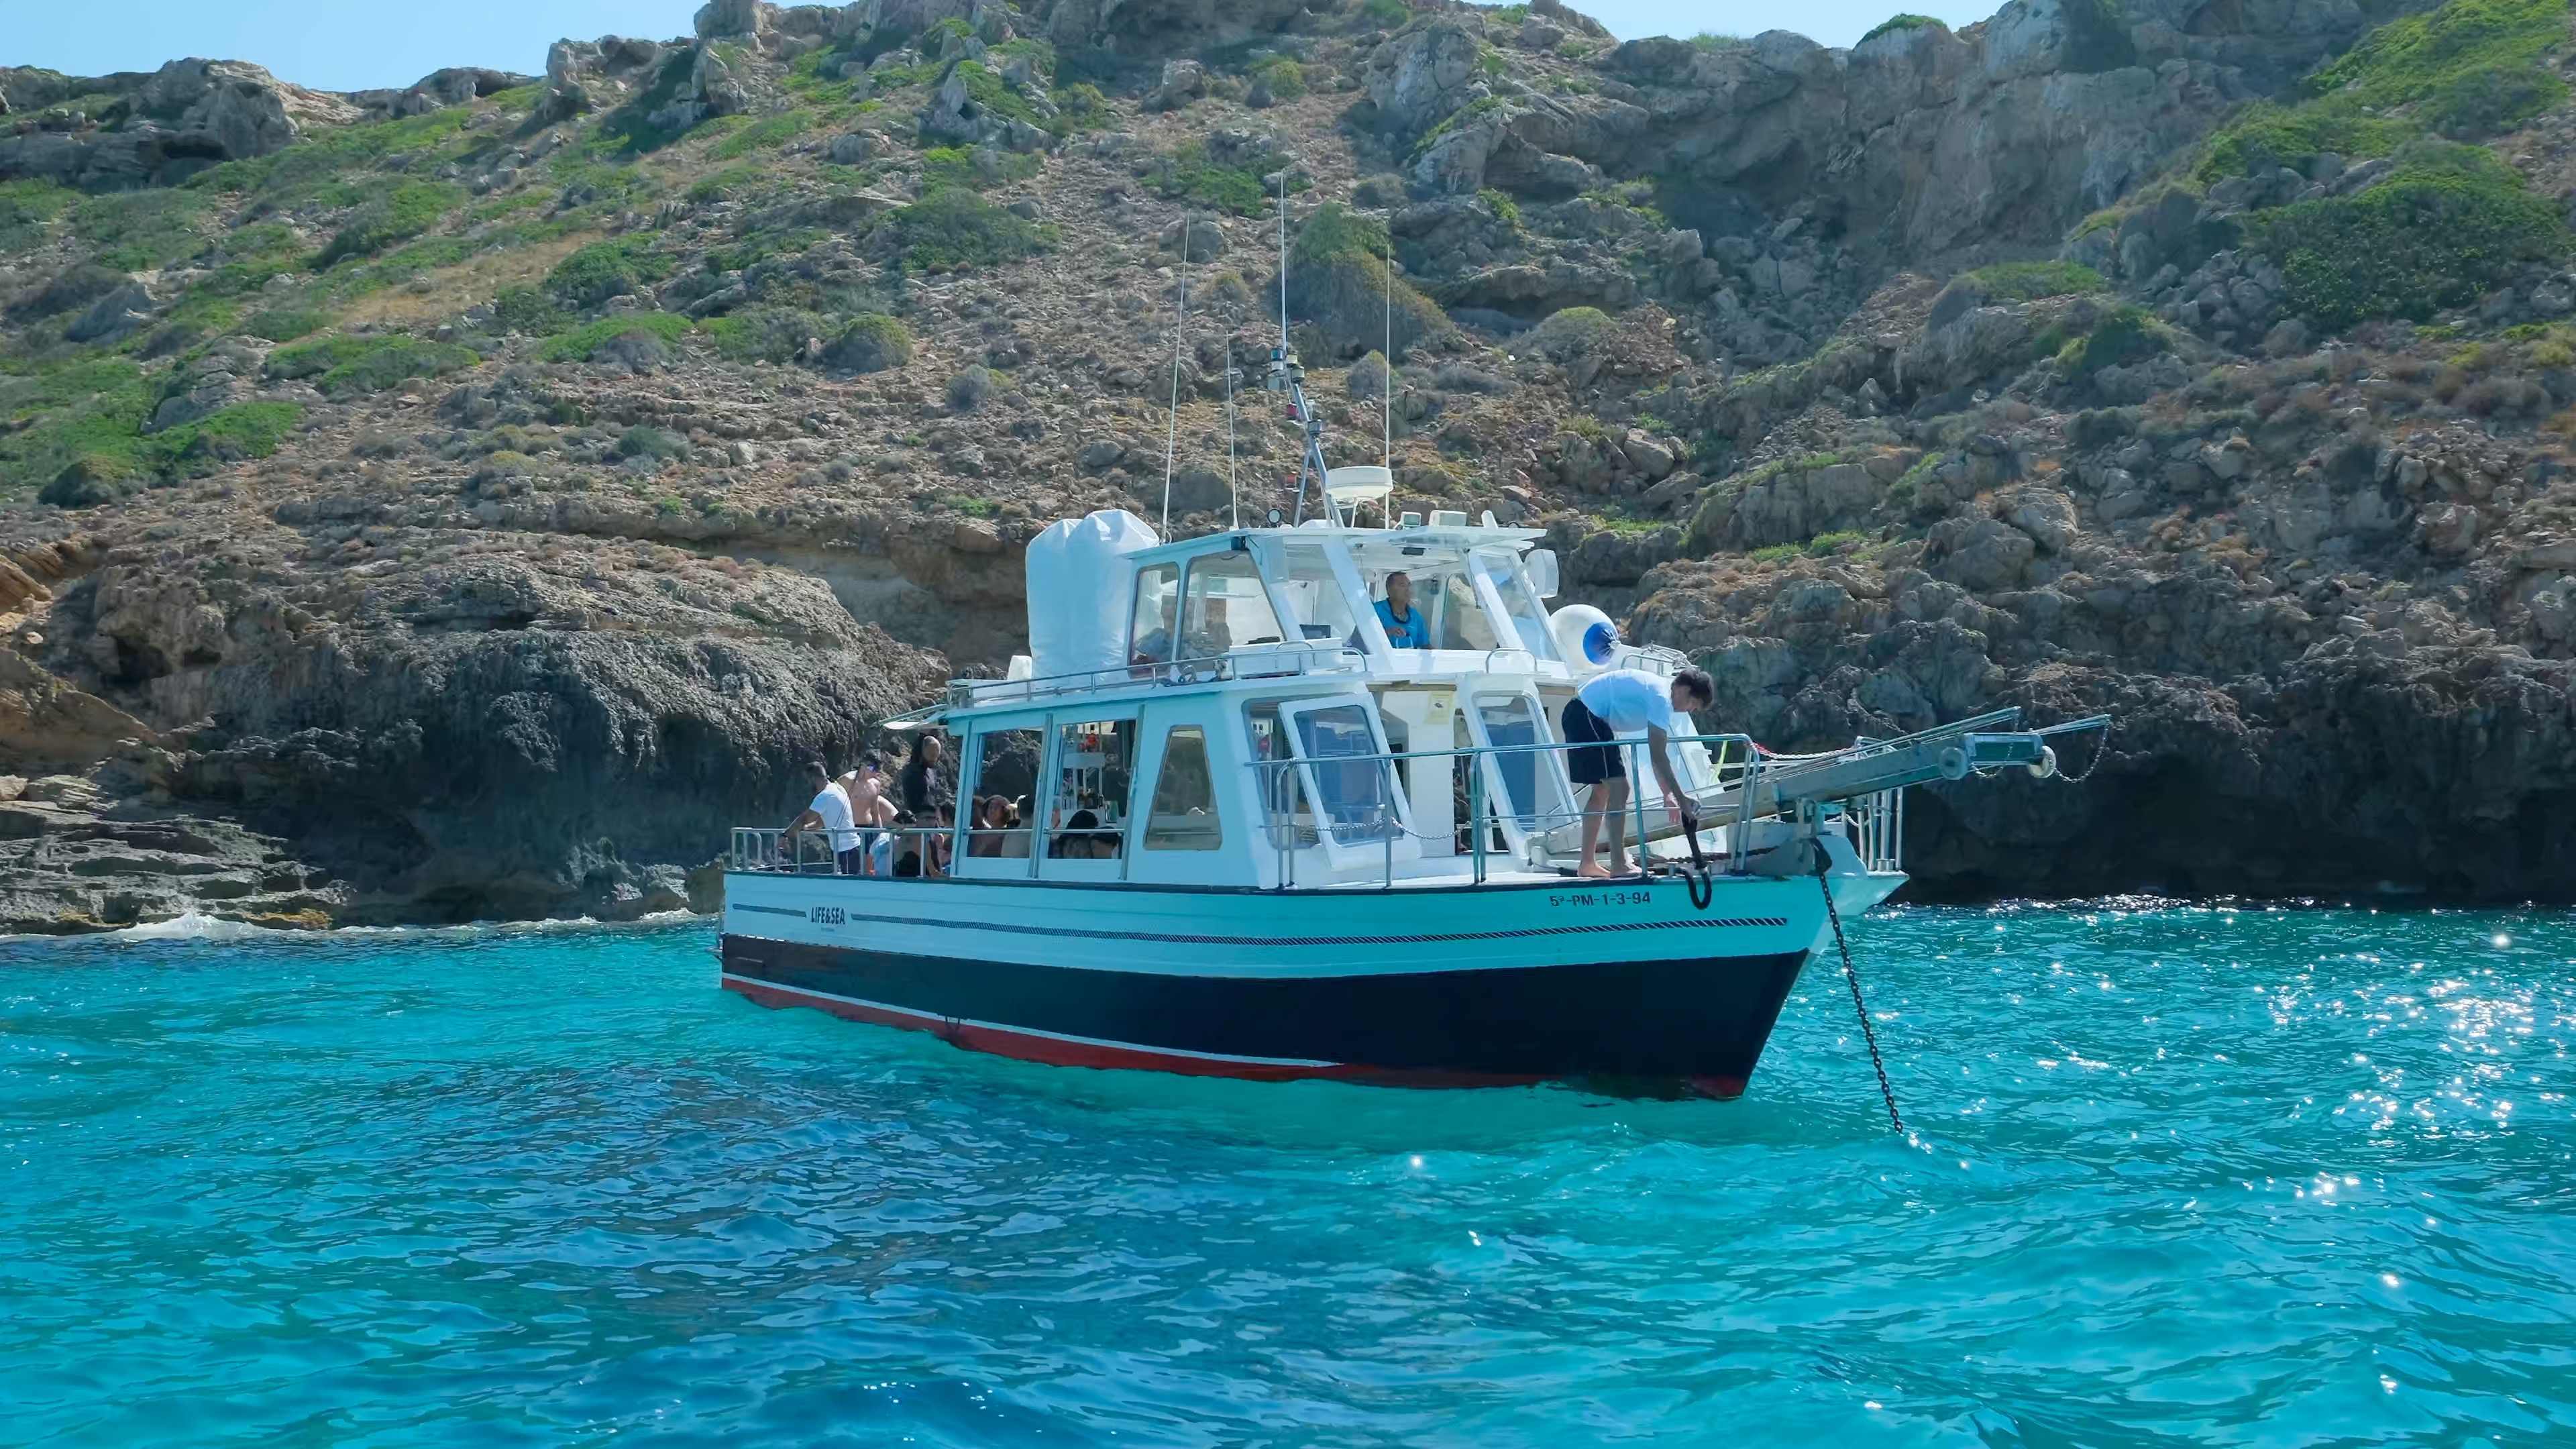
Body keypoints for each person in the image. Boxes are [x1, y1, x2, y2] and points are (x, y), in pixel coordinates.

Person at [1560, 666, 1716, 879]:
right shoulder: (1661, 698)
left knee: (1603, 790)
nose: (1689, 710)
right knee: (1620, 789)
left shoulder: (1660, 694)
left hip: (1583, 713)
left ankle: (1587, 864)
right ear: (1683, 689)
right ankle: (1618, 865)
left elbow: (1657, 756)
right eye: (1692, 704)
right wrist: (1681, 799)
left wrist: (1668, 794)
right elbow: (1658, 755)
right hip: (1587, 714)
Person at [784, 761, 864, 874]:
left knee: (848, 886)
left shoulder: (825, 796)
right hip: (844, 849)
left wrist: (785, 835)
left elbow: (804, 819)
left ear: (813, 778)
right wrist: (801, 829)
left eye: (807, 781)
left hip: (846, 849)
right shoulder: (837, 788)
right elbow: (819, 823)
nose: (806, 785)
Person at [900, 733, 952, 877]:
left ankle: (936, 872)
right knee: (920, 860)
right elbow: (914, 801)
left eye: (937, 755)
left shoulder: (931, 772)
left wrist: (936, 825)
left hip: (931, 822)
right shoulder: (911, 771)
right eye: (931, 754)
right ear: (922, 751)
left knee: (935, 856)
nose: (934, 758)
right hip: (919, 820)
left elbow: (932, 798)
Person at [839, 753, 898, 875]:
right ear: (864, 765)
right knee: (852, 868)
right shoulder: (847, 780)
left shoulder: (875, 784)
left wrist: (880, 833)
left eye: (878, 770)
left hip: (869, 829)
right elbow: (835, 802)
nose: (875, 773)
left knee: (868, 868)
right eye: (873, 769)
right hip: (851, 829)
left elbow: (875, 812)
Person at [1374, 570, 1428, 649]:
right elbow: (1358, 640)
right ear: (1389, 590)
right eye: (1402, 585)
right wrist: (1386, 633)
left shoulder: (1416, 617)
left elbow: (1425, 646)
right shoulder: (1374, 611)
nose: (1407, 589)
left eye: (1409, 585)